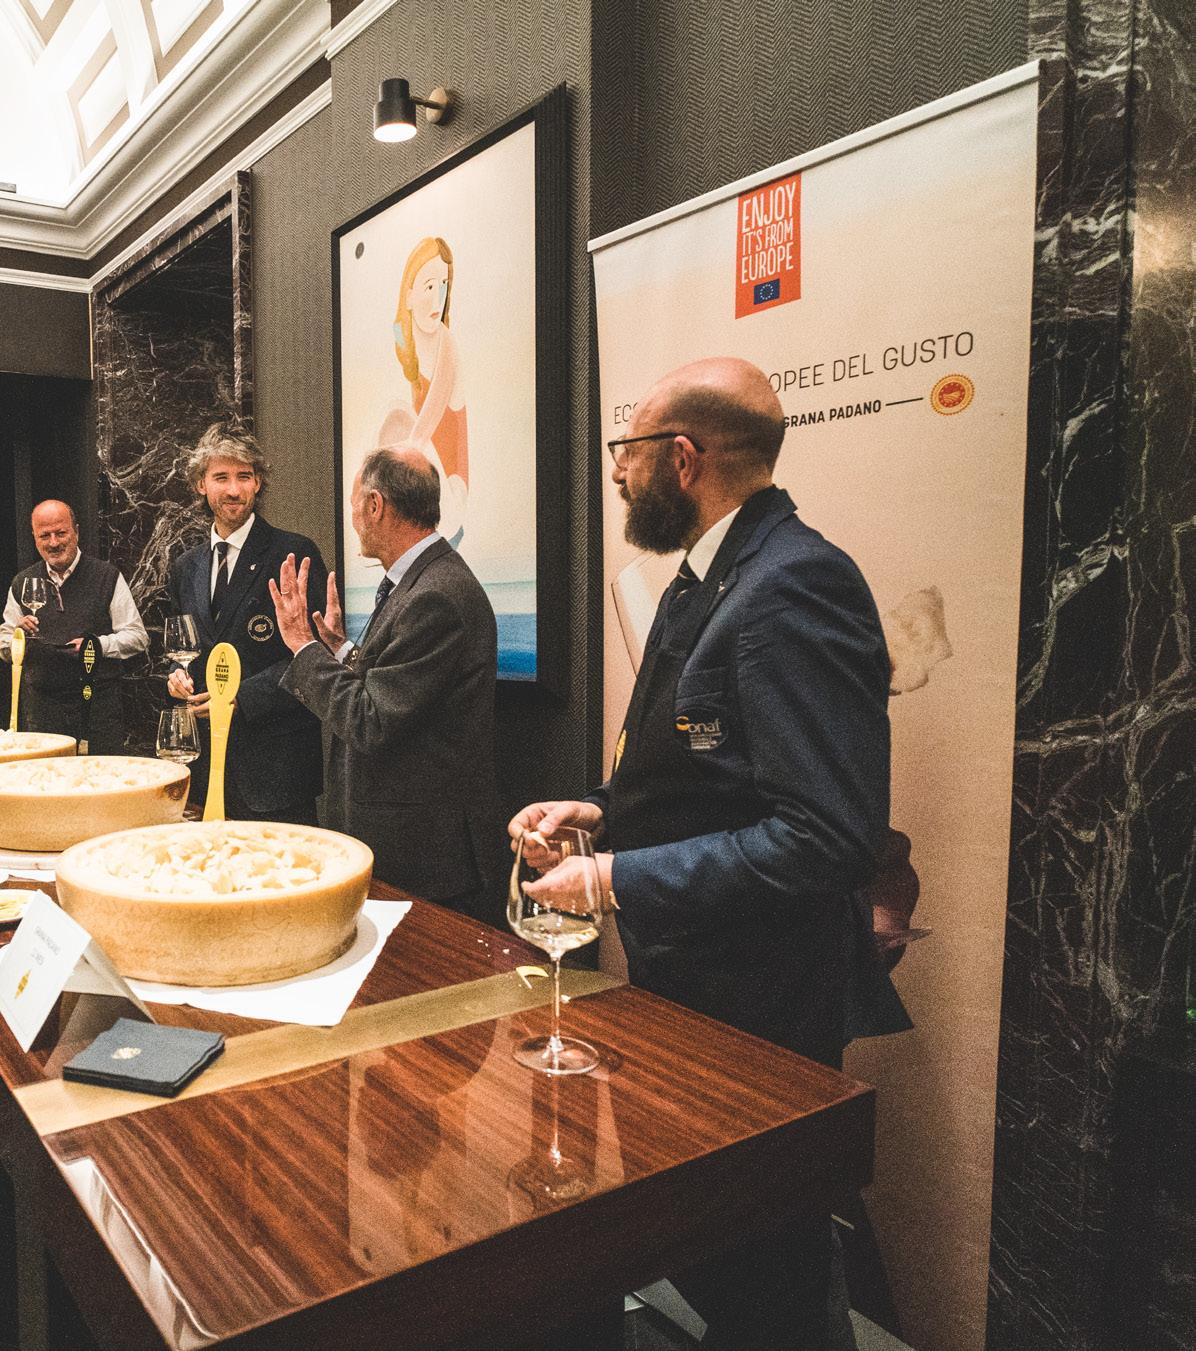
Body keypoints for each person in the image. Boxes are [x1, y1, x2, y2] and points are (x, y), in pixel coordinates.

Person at [509, 357, 909, 1350]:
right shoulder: (706, 576)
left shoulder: (793, 583)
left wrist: (610, 878)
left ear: (682, 458)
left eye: (627, 450)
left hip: (761, 1005)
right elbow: (702, 778)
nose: (616, 472)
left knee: (769, 1284)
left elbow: (826, 833)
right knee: (713, 1253)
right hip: (690, 986)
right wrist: (598, 812)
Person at [269, 446, 499, 922]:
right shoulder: (423, 581)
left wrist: (302, 646)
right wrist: (341, 652)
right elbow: (397, 689)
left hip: (421, 854)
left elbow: (370, 722)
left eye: (355, 502)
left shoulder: (435, 595)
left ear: (375, 505)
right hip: (408, 844)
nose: (352, 515)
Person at [166, 424, 327, 822]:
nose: (234, 490)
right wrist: (176, 675)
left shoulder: (293, 553)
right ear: (201, 485)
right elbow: (178, 648)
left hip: (274, 770)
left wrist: (240, 697)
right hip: (204, 768)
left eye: (244, 476)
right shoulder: (186, 566)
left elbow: (316, 654)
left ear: (258, 483)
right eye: (221, 477)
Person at [0, 500, 147, 753]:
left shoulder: (106, 576)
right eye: (45, 535)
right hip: (42, 714)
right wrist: (18, 637)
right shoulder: (22, 582)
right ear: (34, 538)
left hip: (97, 711)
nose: (54, 542)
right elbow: (4, 645)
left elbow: (138, 637)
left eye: (61, 533)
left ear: (76, 531)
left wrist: (96, 645)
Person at [380, 236, 469, 544]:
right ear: (409, 295)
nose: (437, 299)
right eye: (429, 287)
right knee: (395, 409)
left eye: (443, 286)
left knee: (398, 418)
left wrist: (395, 466)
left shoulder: (447, 342)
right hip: (421, 464)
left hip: (450, 478)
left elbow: (429, 417)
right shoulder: (402, 335)